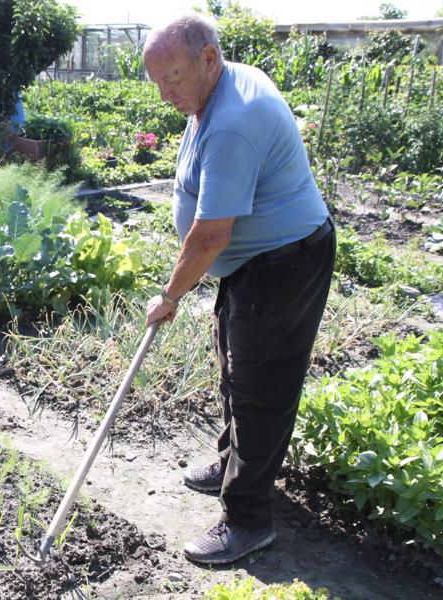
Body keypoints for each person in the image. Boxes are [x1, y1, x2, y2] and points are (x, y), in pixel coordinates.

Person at [141, 14, 335, 565]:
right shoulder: (219, 84)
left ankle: (247, 519)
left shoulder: (232, 121)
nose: (165, 94)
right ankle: (231, 463)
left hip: (283, 263)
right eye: (157, 82)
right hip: (255, 262)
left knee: (260, 390)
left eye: (173, 79)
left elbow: (210, 235)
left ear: (208, 59)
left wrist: (171, 295)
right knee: (235, 367)